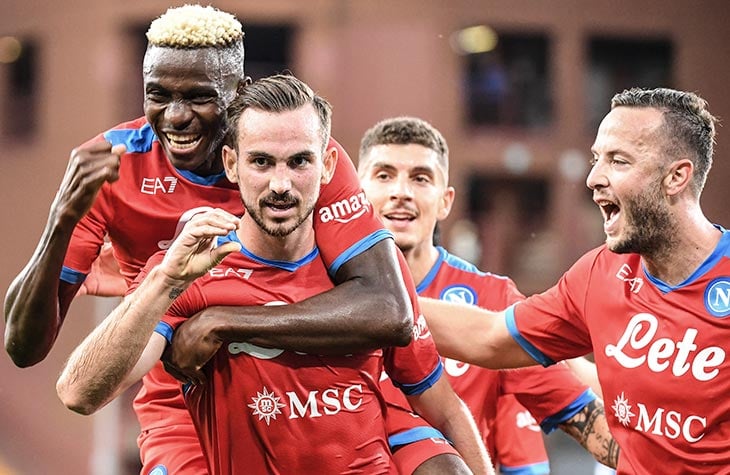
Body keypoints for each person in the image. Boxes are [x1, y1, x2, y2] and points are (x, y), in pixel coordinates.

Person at [2, 5, 422, 474]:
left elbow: (389, 307)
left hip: (309, 382)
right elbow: (24, 349)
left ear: (236, 94)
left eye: (199, 97)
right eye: (157, 95)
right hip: (181, 391)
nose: (176, 117)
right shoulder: (113, 166)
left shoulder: (296, 157)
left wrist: (222, 321)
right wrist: (61, 220)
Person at [56, 74, 492, 474]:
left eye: (299, 162)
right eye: (261, 162)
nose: (280, 185)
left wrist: (225, 323)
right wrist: (164, 280)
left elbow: (441, 407)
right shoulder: (194, 270)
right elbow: (78, 393)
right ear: (231, 165)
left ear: (326, 167)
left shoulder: (372, 273)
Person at [418, 87, 726, 474]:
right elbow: (491, 337)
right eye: (597, 159)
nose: (594, 178)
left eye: (618, 161)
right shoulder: (600, 272)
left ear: (676, 177)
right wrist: (383, 302)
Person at [357, 116, 618, 472]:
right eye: (384, 175)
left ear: (446, 201)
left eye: (420, 178)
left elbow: (584, 417)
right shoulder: (323, 291)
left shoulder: (491, 299)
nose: (401, 191)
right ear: (357, 194)